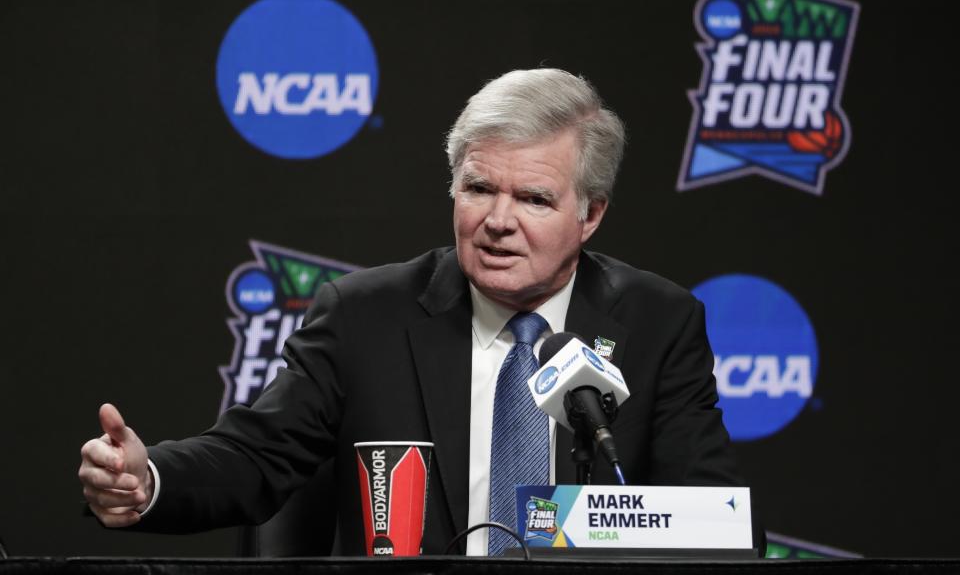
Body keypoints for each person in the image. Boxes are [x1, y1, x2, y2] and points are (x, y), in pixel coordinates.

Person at [79, 68, 747, 556]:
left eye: (535, 200)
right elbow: (254, 455)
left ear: (591, 213)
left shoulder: (659, 323)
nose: (497, 221)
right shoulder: (364, 317)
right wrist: (149, 479)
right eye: (479, 188)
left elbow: (718, 524)